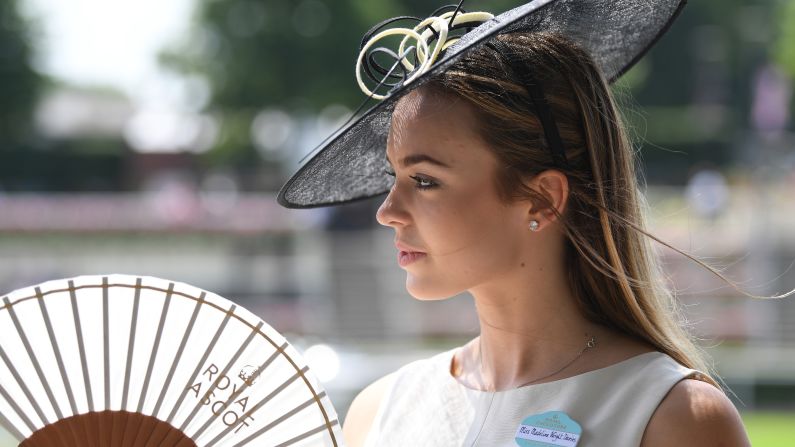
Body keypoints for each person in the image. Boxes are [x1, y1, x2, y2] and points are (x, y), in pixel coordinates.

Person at [275, 1, 776, 445]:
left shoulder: (674, 420)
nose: (387, 211)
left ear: (541, 199)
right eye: (394, 176)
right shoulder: (379, 410)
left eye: (424, 180)